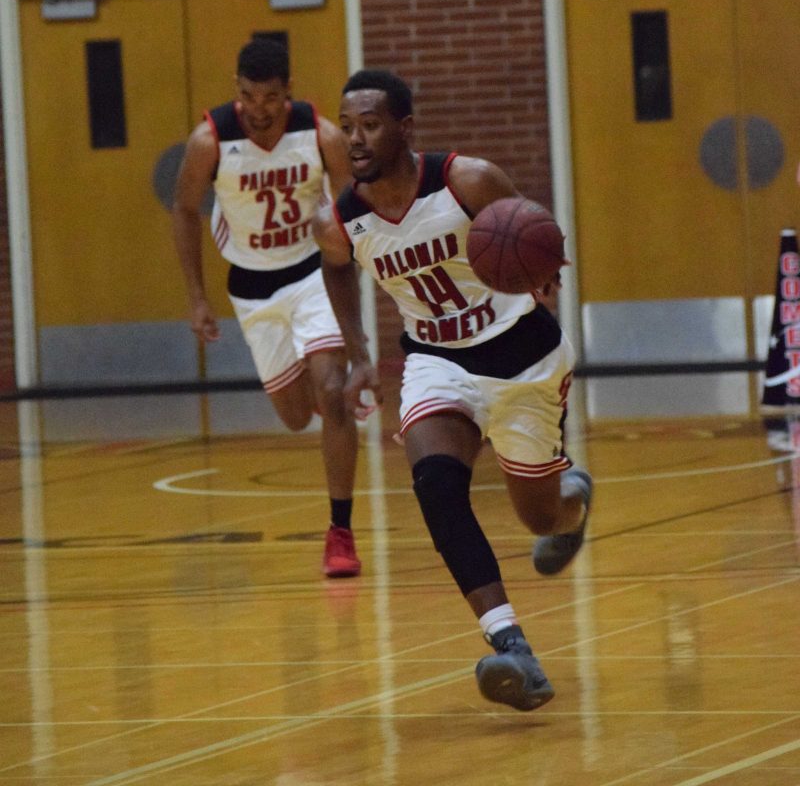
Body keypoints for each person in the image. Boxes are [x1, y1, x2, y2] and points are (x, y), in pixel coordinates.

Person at [313, 69, 592, 710]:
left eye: (371, 125)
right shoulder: (342, 222)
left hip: (524, 358)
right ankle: (511, 646)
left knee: (538, 516)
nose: (355, 139)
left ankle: (571, 503)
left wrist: (542, 271)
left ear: (405, 129)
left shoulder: (467, 180)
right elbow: (335, 273)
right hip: (438, 362)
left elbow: (534, 235)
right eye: (347, 126)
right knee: (436, 487)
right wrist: (359, 355)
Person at [172, 38, 361, 578]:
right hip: (251, 288)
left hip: (311, 275)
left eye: (270, 98)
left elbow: (354, 209)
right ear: (237, 90)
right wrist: (196, 298)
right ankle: (333, 402)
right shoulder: (210, 142)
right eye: (249, 96)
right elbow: (185, 211)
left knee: (332, 391)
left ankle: (340, 534)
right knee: (297, 416)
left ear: (288, 93)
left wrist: (358, 268)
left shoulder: (322, 136)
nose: (258, 109)